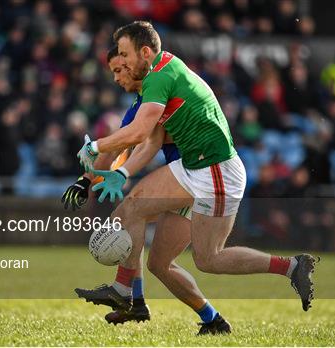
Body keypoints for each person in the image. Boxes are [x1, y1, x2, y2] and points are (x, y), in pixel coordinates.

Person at [75, 21, 316, 334]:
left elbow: (137, 133)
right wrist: (120, 172)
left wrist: (94, 147)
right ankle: (208, 319)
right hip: (194, 168)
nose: (120, 66)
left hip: (214, 170)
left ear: (145, 53)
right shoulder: (157, 78)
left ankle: (292, 267)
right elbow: (150, 141)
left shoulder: (159, 76)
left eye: (124, 56)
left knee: (208, 258)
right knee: (155, 256)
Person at [65, 47, 224, 330]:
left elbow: (138, 142)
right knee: (158, 262)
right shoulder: (142, 103)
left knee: (129, 215)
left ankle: (127, 294)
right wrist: (86, 180)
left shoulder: (159, 91)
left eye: (119, 69)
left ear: (136, 62)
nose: (116, 78)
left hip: (195, 178)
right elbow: (119, 144)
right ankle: (212, 319)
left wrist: (114, 167)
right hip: (183, 180)